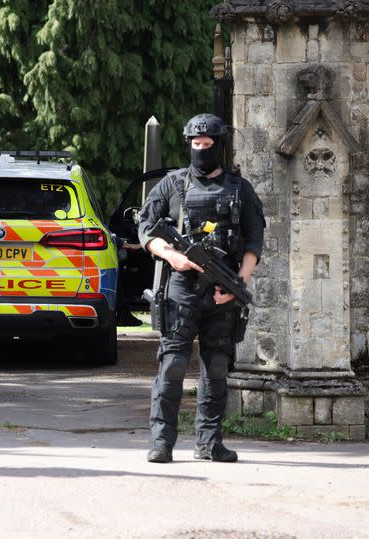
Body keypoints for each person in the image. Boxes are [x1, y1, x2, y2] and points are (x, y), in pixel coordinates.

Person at [137, 113, 264, 463]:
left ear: (219, 146)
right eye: (195, 145)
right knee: (173, 364)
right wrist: (170, 255)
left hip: (222, 292)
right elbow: (146, 228)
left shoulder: (240, 189)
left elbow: (254, 241)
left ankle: (209, 442)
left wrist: (238, 283)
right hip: (181, 287)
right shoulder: (172, 185)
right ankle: (162, 442)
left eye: (207, 145)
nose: (201, 150)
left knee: (217, 368)